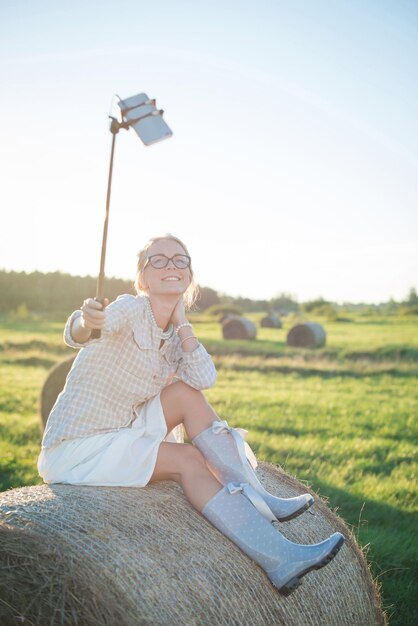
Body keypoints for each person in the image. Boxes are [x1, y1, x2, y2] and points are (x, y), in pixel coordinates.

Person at [38, 233, 344, 594]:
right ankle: (281, 557)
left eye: (180, 260)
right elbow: (81, 331)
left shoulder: (173, 337)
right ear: (143, 278)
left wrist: (182, 322)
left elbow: (204, 378)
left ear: (189, 275)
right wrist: (85, 320)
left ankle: (255, 493)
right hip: (78, 446)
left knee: (185, 393)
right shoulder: (129, 308)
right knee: (186, 458)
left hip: (122, 433)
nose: (171, 265)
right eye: (159, 260)